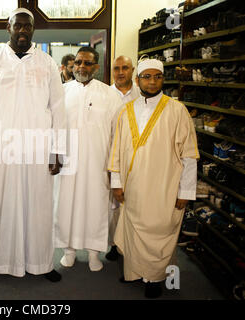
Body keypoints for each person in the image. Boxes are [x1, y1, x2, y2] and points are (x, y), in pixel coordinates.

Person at [0, 8, 66, 283]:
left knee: (39, 206)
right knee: (0, 204)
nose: (23, 31)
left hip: (39, 147)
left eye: (28, 27)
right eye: (18, 26)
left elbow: (58, 108)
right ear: (9, 27)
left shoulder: (47, 63)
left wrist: (58, 149)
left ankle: (42, 263)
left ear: (33, 30)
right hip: (2, 148)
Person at [108, 58, 199, 298]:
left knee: (159, 232)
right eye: (146, 77)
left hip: (164, 186)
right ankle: (134, 272)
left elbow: (189, 155)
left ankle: (154, 278)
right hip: (132, 185)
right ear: (137, 81)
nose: (152, 81)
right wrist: (116, 183)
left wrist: (185, 192)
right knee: (133, 231)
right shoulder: (125, 111)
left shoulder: (177, 110)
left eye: (156, 76)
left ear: (162, 79)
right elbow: (116, 150)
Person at [54, 47, 123, 272]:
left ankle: (94, 253)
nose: (82, 67)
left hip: (98, 163)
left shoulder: (110, 95)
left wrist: (114, 166)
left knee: (96, 207)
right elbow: (52, 127)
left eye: (87, 63)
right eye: (78, 63)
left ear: (96, 66)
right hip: (67, 162)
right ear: (72, 65)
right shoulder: (60, 92)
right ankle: (69, 251)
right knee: (66, 205)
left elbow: (117, 133)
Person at [106, 55, 141, 261]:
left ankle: (132, 245)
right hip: (109, 154)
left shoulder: (141, 94)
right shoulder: (105, 94)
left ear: (132, 70)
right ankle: (113, 244)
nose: (120, 72)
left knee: (133, 201)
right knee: (112, 203)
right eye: (117, 68)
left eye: (125, 68)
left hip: (135, 156)